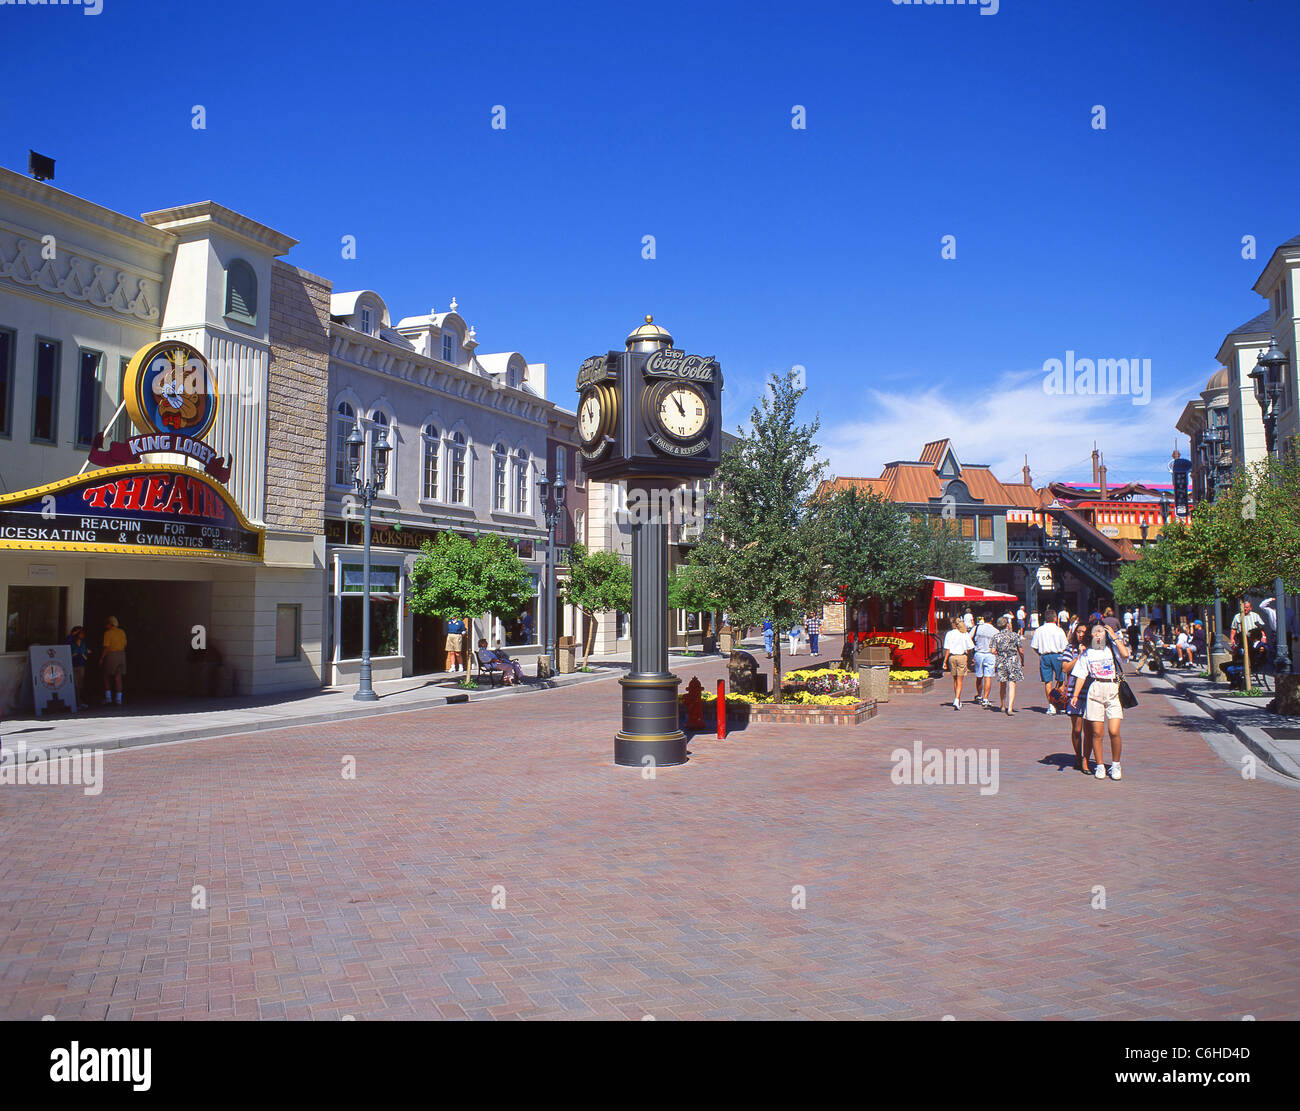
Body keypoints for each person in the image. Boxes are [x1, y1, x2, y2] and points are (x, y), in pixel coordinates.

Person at [1069, 619, 1131, 780]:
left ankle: (1116, 765)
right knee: (1097, 732)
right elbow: (1081, 676)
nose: (1098, 634)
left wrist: (1114, 637)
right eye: (1095, 631)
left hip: (1112, 689)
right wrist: (1075, 695)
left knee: (1114, 730)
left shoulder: (1112, 649)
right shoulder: (1087, 653)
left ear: (1105, 633)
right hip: (1095, 689)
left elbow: (1125, 655)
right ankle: (1100, 765)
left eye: (1101, 631)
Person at [1060, 619, 1092, 772]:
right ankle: (1078, 757)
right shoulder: (1070, 649)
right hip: (1074, 692)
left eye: (1084, 632)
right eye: (1078, 632)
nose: (1080, 635)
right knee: (1077, 729)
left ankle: (1086, 759)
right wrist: (1080, 655)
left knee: (1090, 729)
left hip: (1091, 692)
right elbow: (1065, 668)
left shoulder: (1094, 649)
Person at [1030, 611, 1069, 714]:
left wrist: (1040, 654)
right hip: (1058, 655)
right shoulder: (1059, 630)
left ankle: (1051, 705)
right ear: (1055, 618)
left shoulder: (1039, 630)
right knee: (1061, 680)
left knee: (1048, 681)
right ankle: (1060, 703)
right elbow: (1065, 645)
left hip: (1045, 655)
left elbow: (1034, 646)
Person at [992, 615, 1024, 714]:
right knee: (1012, 683)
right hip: (1013, 659)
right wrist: (1022, 659)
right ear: (1007, 625)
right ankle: (1010, 707)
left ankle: (1002, 705)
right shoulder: (1014, 635)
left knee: (1002, 683)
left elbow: (993, 650)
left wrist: (999, 653)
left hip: (1001, 659)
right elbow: (1021, 650)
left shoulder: (996, 636)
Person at [942, 616, 974, 710]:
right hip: (961, 657)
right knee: (960, 680)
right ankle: (957, 699)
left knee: (955, 679)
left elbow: (947, 649)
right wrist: (970, 659)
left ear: (953, 624)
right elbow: (970, 648)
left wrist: (944, 661)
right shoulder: (964, 634)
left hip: (952, 657)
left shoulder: (949, 634)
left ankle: (957, 698)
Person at [971, 612, 998, 708]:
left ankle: (979, 695)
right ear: (992, 619)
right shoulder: (995, 631)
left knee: (979, 676)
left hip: (978, 653)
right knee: (988, 677)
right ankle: (986, 698)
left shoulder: (977, 628)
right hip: (990, 654)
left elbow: (970, 639)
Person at [99, 615, 127, 706]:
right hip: (121, 655)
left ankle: (108, 698)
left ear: (109, 624)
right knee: (118, 677)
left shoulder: (108, 633)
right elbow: (125, 644)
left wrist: (102, 658)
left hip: (111, 655)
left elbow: (106, 647)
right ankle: (119, 699)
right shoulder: (122, 632)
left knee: (106, 675)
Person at [64, 625, 90, 710]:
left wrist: (84, 654)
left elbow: (85, 652)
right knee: (75, 685)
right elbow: (66, 645)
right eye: (81, 633)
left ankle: (80, 702)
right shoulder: (71, 642)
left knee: (80, 685)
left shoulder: (83, 643)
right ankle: (75, 702)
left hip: (81, 665)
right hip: (73, 665)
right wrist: (72, 634)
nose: (83, 634)